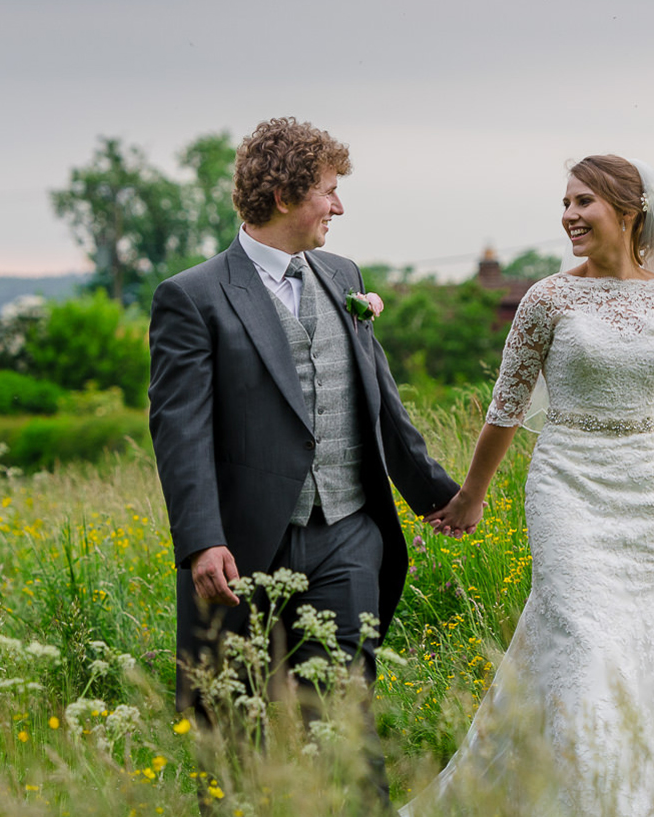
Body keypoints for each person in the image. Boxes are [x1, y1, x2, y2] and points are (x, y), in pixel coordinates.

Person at [405, 155, 654, 815]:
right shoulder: (548, 299)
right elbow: (504, 408)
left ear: (629, 210)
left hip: (645, 497)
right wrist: (471, 494)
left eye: (583, 201)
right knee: (585, 642)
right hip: (566, 482)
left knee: (630, 661)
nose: (569, 215)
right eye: (565, 202)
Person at [147, 117, 465, 809]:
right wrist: (201, 539)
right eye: (329, 190)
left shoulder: (344, 277)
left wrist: (436, 492)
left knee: (342, 719)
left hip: (348, 532)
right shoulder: (192, 296)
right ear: (288, 194)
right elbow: (180, 430)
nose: (339, 206)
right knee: (229, 730)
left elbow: (378, 397)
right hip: (239, 546)